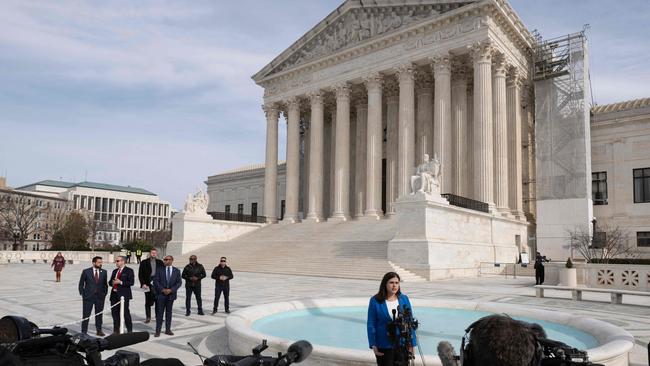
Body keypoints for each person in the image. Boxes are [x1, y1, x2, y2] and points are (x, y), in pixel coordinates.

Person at [367, 272, 417, 366]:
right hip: (384, 346)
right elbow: (371, 323)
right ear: (385, 284)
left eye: (397, 283)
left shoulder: (404, 299)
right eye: (391, 282)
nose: (394, 286)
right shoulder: (375, 300)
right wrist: (373, 344)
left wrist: (412, 344)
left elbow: (409, 322)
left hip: (402, 345)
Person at [78, 256, 108, 336]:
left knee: (99, 314)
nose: (100, 264)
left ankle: (99, 330)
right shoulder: (86, 271)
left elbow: (105, 285)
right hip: (88, 297)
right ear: (94, 263)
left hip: (100, 297)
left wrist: (104, 294)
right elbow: (81, 284)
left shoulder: (104, 272)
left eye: (101, 262)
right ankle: (84, 332)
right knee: (86, 315)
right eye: (99, 262)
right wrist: (83, 293)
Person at [153, 255, 182, 337]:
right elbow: (155, 281)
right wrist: (162, 289)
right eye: (164, 259)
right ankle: (157, 331)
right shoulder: (159, 269)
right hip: (161, 295)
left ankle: (167, 329)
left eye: (167, 259)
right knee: (159, 313)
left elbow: (179, 282)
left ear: (172, 260)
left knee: (169, 313)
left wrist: (171, 290)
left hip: (171, 295)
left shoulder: (176, 271)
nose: (165, 261)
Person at [108, 255, 134, 334]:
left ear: (123, 261)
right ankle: (116, 330)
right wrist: (112, 282)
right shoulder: (115, 271)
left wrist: (121, 282)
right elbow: (110, 282)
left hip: (124, 295)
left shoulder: (129, 270)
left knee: (125, 313)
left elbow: (131, 282)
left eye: (118, 261)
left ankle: (129, 330)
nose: (116, 262)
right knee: (114, 313)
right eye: (116, 261)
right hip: (114, 295)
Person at [138, 249, 164, 323]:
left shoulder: (160, 262)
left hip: (157, 284)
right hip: (147, 283)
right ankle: (148, 317)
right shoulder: (144, 262)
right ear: (150, 254)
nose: (153, 254)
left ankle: (158, 316)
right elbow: (140, 274)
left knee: (158, 301)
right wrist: (143, 284)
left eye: (155, 253)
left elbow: (163, 273)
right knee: (148, 301)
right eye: (152, 253)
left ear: (156, 254)